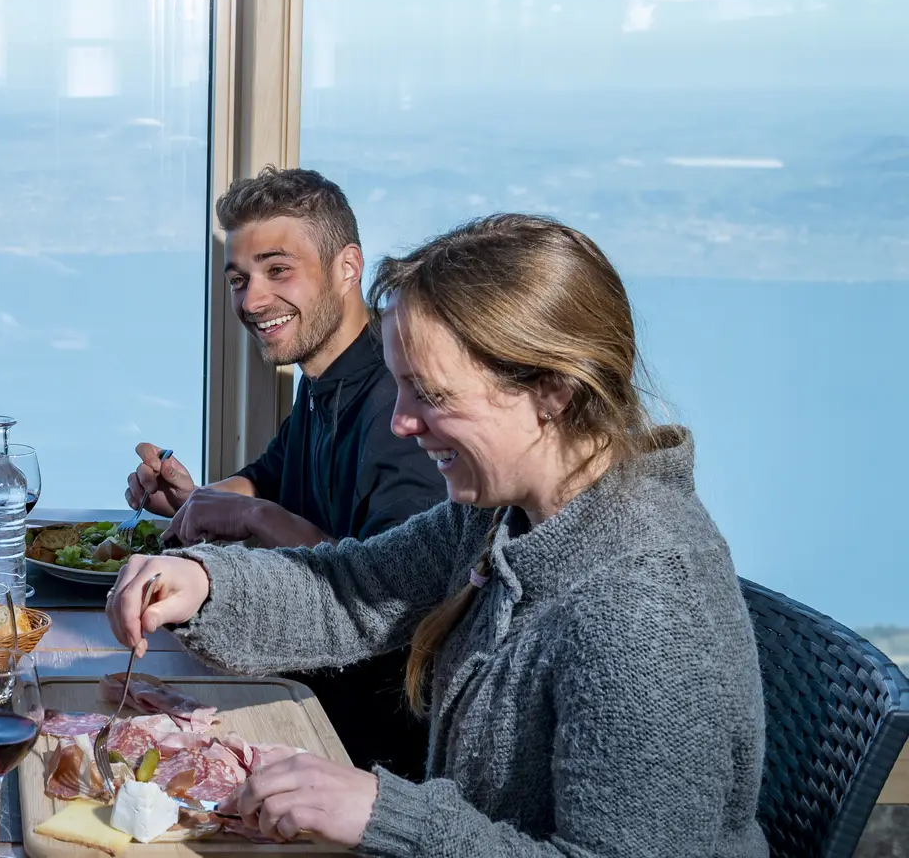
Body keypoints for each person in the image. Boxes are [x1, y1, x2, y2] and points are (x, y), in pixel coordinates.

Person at [109, 214, 766, 856]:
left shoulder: (641, 609)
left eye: (430, 394)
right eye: (399, 390)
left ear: (552, 392)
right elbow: (355, 592)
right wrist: (204, 583)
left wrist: (381, 814)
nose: (400, 423)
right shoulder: (501, 515)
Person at [124, 166, 445, 776]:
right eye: (240, 279)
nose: (252, 300)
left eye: (278, 271)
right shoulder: (322, 378)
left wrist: (249, 514)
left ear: (347, 267)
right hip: (301, 692)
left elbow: (390, 594)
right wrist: (197, 500)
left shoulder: (398, 407)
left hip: (360, 748)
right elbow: (269, 476)